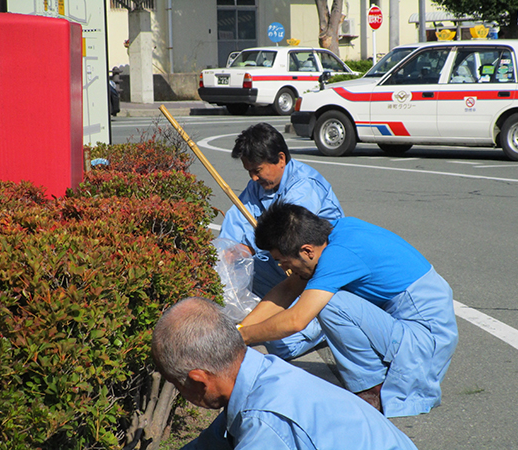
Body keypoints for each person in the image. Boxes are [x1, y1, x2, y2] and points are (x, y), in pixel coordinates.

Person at [238, 202, 458, 418]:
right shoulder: (333, 234)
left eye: (282, 261)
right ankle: (372, 377)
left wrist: (242, 337)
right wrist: (237, 331)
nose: (282, 268)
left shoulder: (338, 256)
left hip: (425, 339)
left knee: (330, 304)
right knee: (324, 295)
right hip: (411, 320)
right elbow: (287, 289)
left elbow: (297, 320)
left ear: (307, 251)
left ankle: (372, 389)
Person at [151, 296, 419, 450]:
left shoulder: (266, 422)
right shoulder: (261, 374)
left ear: (199, 379)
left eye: (178, 384)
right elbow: (208, 446)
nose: (181, 393)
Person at [218, 122, 344, 360]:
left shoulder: (304, 187)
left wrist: (249, 248)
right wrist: (230, 251)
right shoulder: (258, 186)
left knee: (283, 345)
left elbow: (289, 241)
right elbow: (236, 222)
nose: (254, 177)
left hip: (310, 269)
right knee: (232, 270)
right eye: (249, 172)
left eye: (258, 170)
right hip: (280, 266)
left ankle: (320, 326)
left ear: (281, 159)